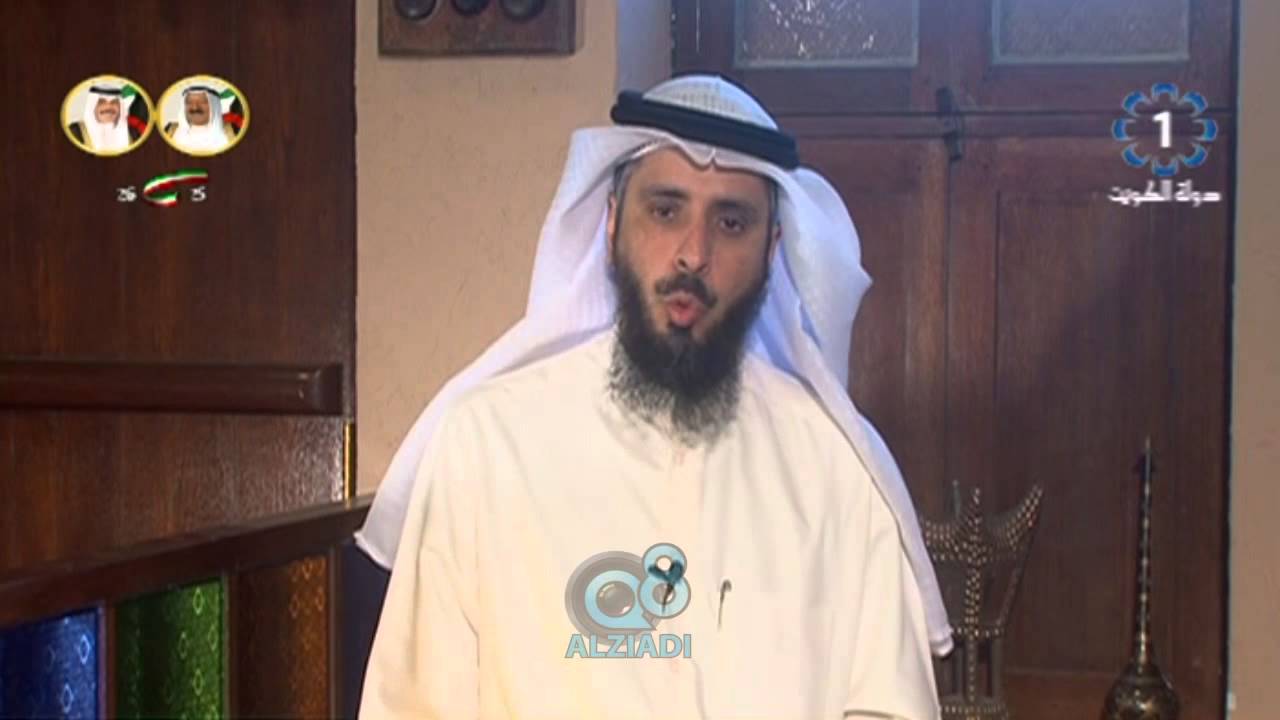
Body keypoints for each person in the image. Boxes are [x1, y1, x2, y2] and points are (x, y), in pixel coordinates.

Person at [358, 74, 951, 719]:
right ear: (613, 221)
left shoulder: (835, 471)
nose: (694, 253)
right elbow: (414, 705)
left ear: (772, 249)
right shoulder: (487, 446)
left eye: (731, 222)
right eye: (666, 211)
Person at [66, 84, 142, 154]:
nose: (108, 106)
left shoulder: (133, 133)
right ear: (92, 106)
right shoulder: (75, 131)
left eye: (114, 102)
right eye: (101, 101)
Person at [165, 85, 231, 153]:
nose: (195, 107)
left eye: (202, 102)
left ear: (214, 106)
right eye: (189, 102)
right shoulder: (169, 131)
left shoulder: (232, 132)